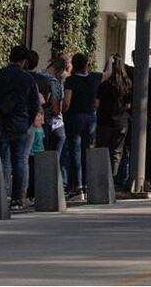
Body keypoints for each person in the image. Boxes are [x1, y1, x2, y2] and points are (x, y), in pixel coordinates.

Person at [0, 45, 39, 212]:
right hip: (21, 124)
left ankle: (3, 194)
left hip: (1, 123)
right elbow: (35, 104)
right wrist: (27, 120)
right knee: (20, 161)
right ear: (25, 61)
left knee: (4, 160)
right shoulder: (27, 78)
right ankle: (17, 199)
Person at [62, 53, 101, 200]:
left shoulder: (71, 80)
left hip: (74, 117)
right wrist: (110, 61)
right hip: (90, 117)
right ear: (86, 64)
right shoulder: (94, 78)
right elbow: (108, 73)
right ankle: (86, 184)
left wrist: (63, 112)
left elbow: (66, 102)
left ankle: (77, 187)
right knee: (86, 151)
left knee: (74, 152)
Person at [95, 55, 132, 185]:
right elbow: (128, 105)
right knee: (116, 152)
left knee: (102, 149)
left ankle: (101, 180)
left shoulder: (104, 84)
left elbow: (97, 104)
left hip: (104, 121)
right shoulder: (127, 83)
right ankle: (113, 179)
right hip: (121, 122)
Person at [33, 58, 66, 181]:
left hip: (35, 122)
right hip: (53, 124)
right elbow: (57, 109)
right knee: (54, 159)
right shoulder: (55, 83)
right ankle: (53, 185)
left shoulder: (35, 76)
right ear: (60, 70)